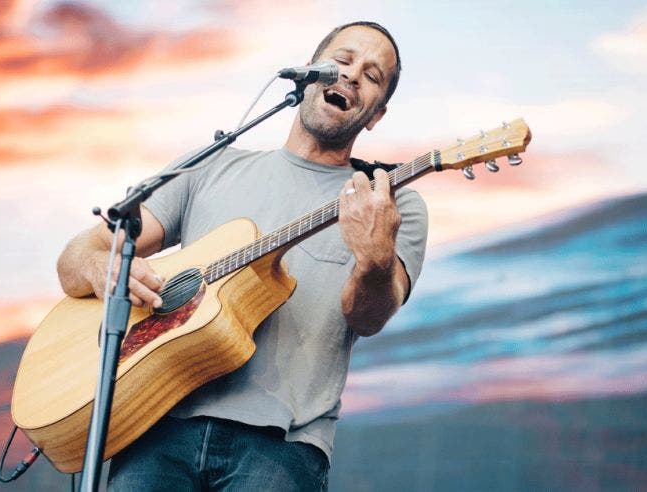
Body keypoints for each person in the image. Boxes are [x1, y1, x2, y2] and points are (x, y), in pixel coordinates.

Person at [57, 21, 428, 491]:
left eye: (372, 76)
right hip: (154, 425)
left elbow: (368, 317)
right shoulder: (211, 166)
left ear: (376, 114)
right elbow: (78, 255)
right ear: (310, 73)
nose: (352, 75)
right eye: (342, 59)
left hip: (281, 447)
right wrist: (100, 265)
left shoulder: (388, 199)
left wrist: (374, 259)